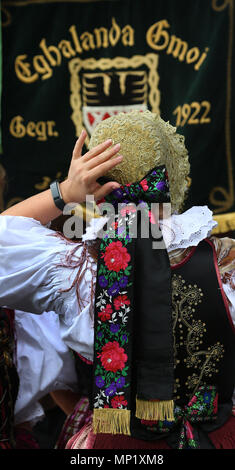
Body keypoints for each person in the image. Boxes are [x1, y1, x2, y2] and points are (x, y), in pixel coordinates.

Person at [0, 111, 235, 450]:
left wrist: (65, 192)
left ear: (101, 183)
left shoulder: (72, 268)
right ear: (172, 175)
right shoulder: (224, 263)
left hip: (116, 443)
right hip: (216, 436)